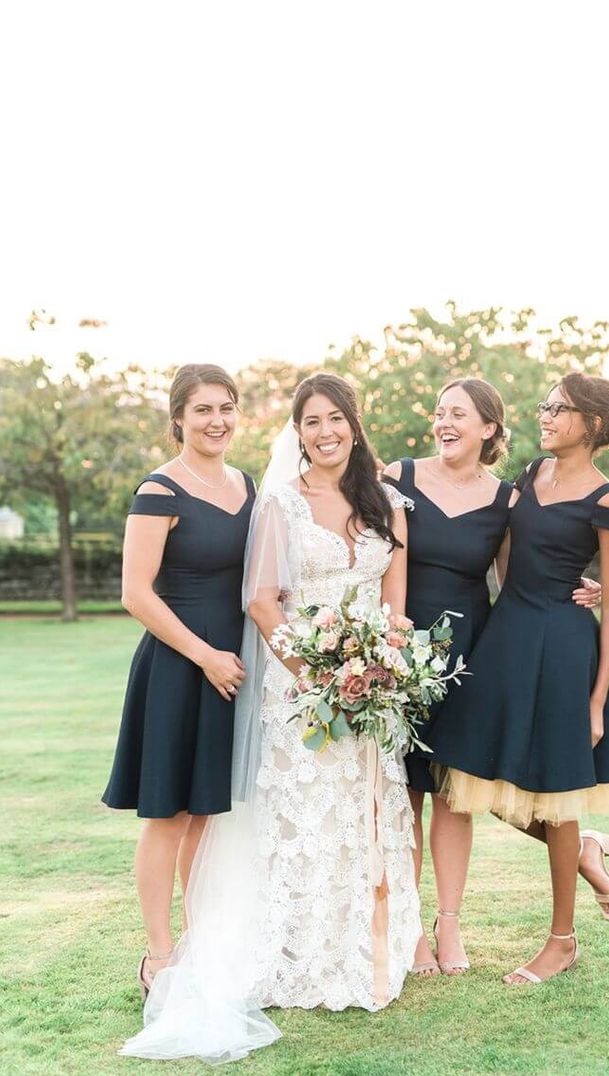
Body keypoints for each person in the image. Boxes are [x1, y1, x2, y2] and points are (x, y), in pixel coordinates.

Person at [119, 373, 421, 1062]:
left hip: (368, 687)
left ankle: (362, 951)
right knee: (272, 819)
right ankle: (184, 954)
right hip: (287, 683)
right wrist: (323, 680)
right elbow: (261, 601)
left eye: (336, 418)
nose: (324, 432)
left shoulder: (372, 503)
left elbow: (395, 605)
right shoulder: (264, 500)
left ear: (354, 422)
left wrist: (382, 668)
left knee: (355, 820)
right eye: (311, 421)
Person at [431, 373, 609, 985]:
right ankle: (587, 851)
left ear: (593, 424)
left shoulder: (607, 501)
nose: (546, 415)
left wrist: (597, 698)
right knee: (467, 774)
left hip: (563, 649)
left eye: (559, 408)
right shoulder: (530, 475)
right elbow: (502, 550)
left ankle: (562, 941)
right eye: (546, 405)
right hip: (506, 639)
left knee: (556, 798)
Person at [383, 378, 609, 978]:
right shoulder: (396, 478)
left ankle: (449, 925)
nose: (444, 421)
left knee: (456, 795)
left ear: (489, 429)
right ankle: (409, 930)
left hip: (470, 655)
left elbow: (524, 579)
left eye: (459, 413)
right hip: (397, 649)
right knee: (404, 796)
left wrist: (593, 589)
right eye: (439, 412)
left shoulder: (508, 500)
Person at [102, 364, 255, 999]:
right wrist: (205, 655)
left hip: (233, 669)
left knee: (207, 815)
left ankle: (199, 943)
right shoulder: (159, 490)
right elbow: (135, 594)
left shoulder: (247, 485)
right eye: (203, 410)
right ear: (179, 419)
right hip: (178, 665)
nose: (216, 421)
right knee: (168, 814)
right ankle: (159, 955)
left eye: (226, 408)